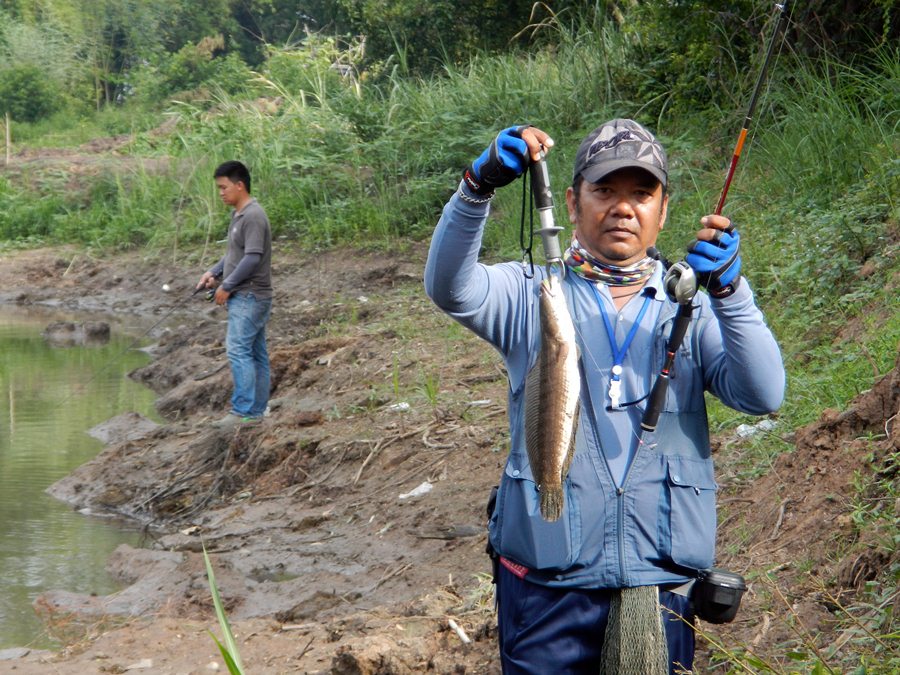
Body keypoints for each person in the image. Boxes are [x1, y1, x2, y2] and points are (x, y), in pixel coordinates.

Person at [424, 120, 785, 673]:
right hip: (546, 589)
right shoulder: (532, 293)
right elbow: (449, 286)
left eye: (641, 194)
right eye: (604, 191)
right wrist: (478, 186)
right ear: (572, 202)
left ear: (663, 212)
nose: (623, 208)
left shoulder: (690, 306)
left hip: (659, 590)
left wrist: (732, 291)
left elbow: (764, 393)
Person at [197, 160, 274, 429]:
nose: (220, 193)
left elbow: (253, 258)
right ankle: (256, 411)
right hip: (248, 295)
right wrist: (214, 273)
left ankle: (243, 412)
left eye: (224, 187)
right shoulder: (239, 214)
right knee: (255, 353)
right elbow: (235, 253)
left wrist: (227, 286)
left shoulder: (253, 216)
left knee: (239, 351)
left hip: (250, 296)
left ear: (240, 186)